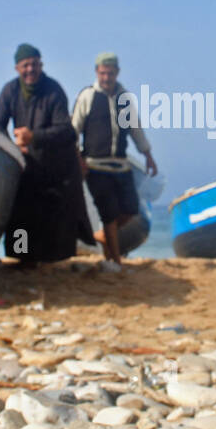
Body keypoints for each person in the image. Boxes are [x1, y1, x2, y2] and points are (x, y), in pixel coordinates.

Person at [0, 43, 88, 265]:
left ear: (41, 65)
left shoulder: (53, 90)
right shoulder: (10, 91)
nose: (30, 70)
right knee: (19, 217)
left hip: (51, 167)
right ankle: (18, 257)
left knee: (48, 219)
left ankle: (45, 260)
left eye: (35, 64)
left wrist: (33, 137)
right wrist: (13, 148)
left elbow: (66, 130)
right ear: (17, 68)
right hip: (22, 165)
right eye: (26, 65)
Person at [72, 52, 157, 271]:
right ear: (96, 73)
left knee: (130, 209)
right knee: (108, 214)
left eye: (110, 73)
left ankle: (103, 238)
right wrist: (78, 159)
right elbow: (74, 131)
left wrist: (148, 155)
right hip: (95, 165)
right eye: (102, 73)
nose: (106, 77)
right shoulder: (87, 96)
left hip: (121, 164)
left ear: (117, 73)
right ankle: (115, 261)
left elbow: (136, 130)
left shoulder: (125, 99)